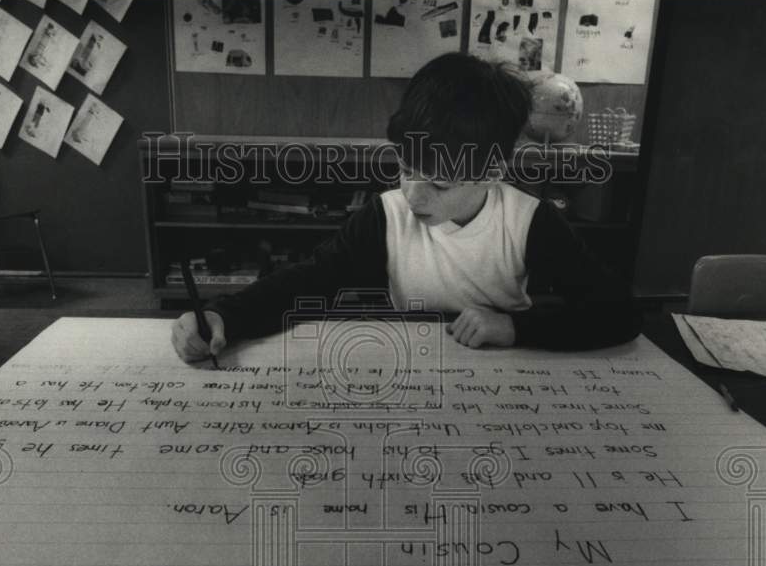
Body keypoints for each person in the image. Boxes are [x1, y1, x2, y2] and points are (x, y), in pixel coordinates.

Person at [172, 52, 640, 363]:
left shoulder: (529, 222)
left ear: (494, 170)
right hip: (412, 375)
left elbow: (618, 313)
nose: (414, 196)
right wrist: (223, 316)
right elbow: (308, 281)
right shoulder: (386, 215)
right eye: (405, 168)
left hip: (505, 385)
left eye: (439, 182)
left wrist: (515, 327)